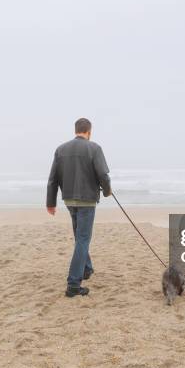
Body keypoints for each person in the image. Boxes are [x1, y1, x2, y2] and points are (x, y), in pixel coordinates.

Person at [46, 118, 112, 297]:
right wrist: (107, 192)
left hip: (69, 200)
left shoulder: (61, 149)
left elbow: (53, 179)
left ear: (76, 130)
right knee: (83, 239)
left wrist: (50, 203)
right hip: (87, 201)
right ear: (89, 132)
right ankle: (74, 284)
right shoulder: (94, 148)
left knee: (79, 237)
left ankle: (87, 269)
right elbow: (103, 176)